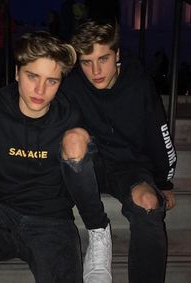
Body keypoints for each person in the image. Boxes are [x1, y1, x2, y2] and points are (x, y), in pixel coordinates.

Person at [0, 31, 111, 283]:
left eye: (52, 81)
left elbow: (89, 170)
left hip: (51, 224)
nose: (40, 89)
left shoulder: (70, 117)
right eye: (32, 76)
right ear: (17, 72)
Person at [61, 20, 177, 283]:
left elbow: (159, 134)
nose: (95, 70)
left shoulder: (139, 83)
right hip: (89, 167)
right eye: (86, 62)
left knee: (149, 203)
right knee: (73, 139)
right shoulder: (72, 85)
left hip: (130, 167)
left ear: (117, 54)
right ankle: (98, 230)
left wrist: (163, 182)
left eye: (103, 58)